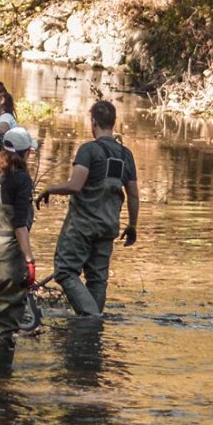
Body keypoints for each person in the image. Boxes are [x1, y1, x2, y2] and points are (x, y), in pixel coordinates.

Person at [37, 100, 140, 316]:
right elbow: (133, 194)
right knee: (97, 278)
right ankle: (93, 329)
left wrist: (49, 188)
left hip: (83, 224)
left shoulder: (89, 150)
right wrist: (132, 225)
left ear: (93, 122)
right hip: (109, 225)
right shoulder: (126, 154)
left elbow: (75, 185)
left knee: (65, 271)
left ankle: (92, 318)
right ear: (113, 123)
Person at [0, 126, 38, 369]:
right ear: (25, 153)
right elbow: (20, 225)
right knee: (6, 324)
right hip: (8, 253)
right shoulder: (22, 179)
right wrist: (30, 260)